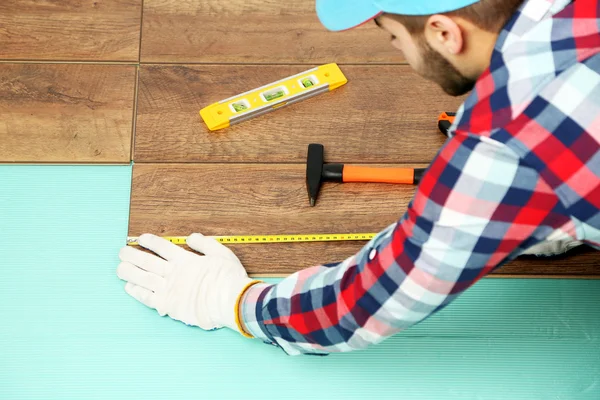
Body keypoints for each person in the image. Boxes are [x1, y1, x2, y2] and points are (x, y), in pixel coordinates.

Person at [116, 0, 600, 356]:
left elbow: (364, 302)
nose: (393, 47)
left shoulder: (501, 145)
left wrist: (232, 300)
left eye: (390, 34)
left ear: (444, 32)